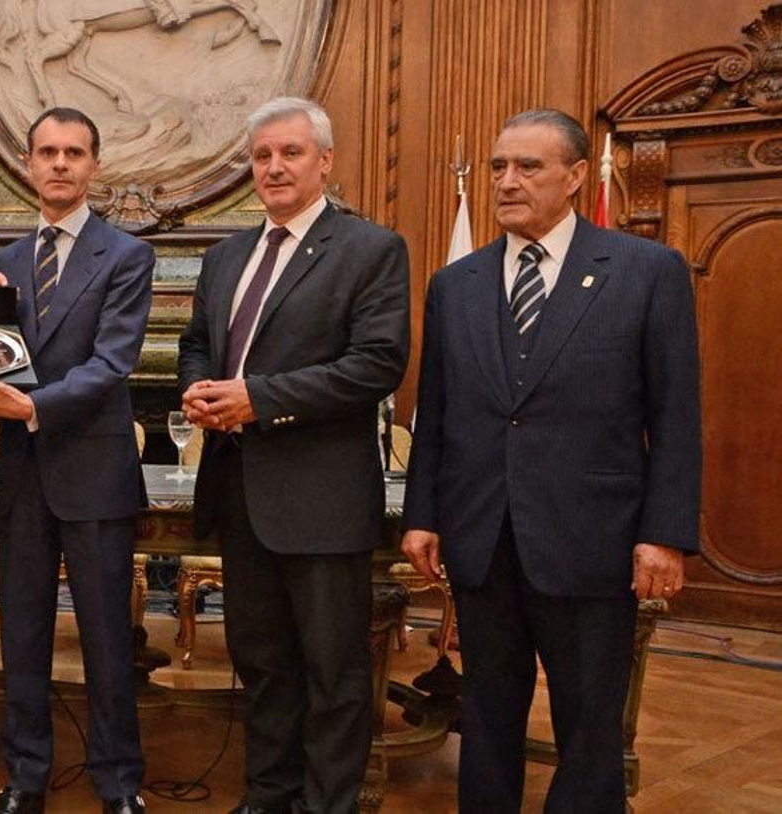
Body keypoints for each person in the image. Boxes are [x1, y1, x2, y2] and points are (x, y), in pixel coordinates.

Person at [401, 108, 701, 812]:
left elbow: (677, 416)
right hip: (483, 540)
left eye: (528, 167)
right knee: (485, 719)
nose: (506, 181)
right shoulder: (456, 283)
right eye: (500, 165)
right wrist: (422, 516)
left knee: (590, 727)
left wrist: (664, 533)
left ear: (573, 177)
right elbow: (436, 413)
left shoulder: (645, 271)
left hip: (592, 539)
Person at [177, 96, 411, 814]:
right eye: (262, 156)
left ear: (325, 161)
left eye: (291, 153)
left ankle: (326, 805)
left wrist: (258, 398)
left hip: (322, 499)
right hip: (240, 493)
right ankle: (267, 795)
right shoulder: (225, 256)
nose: (274, 168)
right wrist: (197, 391)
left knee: (332, 672)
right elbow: (196, 348)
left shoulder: (370, 249)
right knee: (263, 663)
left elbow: (377, 364)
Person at [0, 106, 154, 814]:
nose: (60, 164)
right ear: (29, 162)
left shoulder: (127, 256)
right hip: (20, 476)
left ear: (94, 166)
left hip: (95, 473)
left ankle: (119, 783)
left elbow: (113, 364)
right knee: (24, 634)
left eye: (75, 152)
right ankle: (26, 779)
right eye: (48, 151)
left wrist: (34, 406)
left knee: (107, 640)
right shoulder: (5, 263)